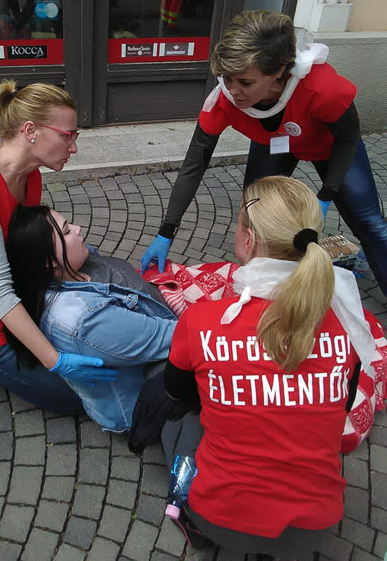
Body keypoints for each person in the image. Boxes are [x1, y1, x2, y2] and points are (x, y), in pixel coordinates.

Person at [161, 176, 379, 559]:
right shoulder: (346, 320)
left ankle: (189, 517)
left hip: (219, 519)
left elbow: (176, 393)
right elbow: (342, 406)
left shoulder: (201, 321)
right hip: (313, 529)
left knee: (181, 422)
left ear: (248, 239)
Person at [141, 10, 387, 299]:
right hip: (274, 143)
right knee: (256, 218)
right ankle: (259, 294)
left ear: (279, 71)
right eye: (226, 78)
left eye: (245, 83)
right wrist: (166, 232)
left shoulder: (324, 88)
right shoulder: (223, 100)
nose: (233, 91)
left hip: (332, 146)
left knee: (370, 224)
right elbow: (194, 166)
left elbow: (348, 138)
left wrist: (325, 195)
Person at [0, 79, 116, 413]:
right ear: (30, 130)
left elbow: (24, 248)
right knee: (87, 400)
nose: (74, 148)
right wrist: (54, 360)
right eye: (67, 136)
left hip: (10, 300)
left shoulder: (31, 174)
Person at [5, 204, 177, 431]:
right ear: (50, 262)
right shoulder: (86, 320)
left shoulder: (72, 267)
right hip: (150, 395)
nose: (78, 228)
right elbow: (173, 337)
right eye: (67, 231)